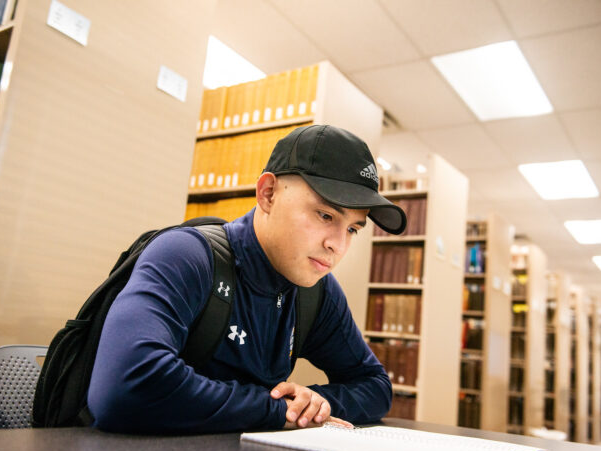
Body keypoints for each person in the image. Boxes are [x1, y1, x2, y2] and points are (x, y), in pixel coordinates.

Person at [87, 124, 407, 434]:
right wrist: (275, 409)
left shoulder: (317, 293)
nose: (337, 245)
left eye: (352, 229)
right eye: (325, 215)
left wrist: (311, 405)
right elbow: (124, 384)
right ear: (267, 194)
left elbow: (375, 386)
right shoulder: (187, 256)